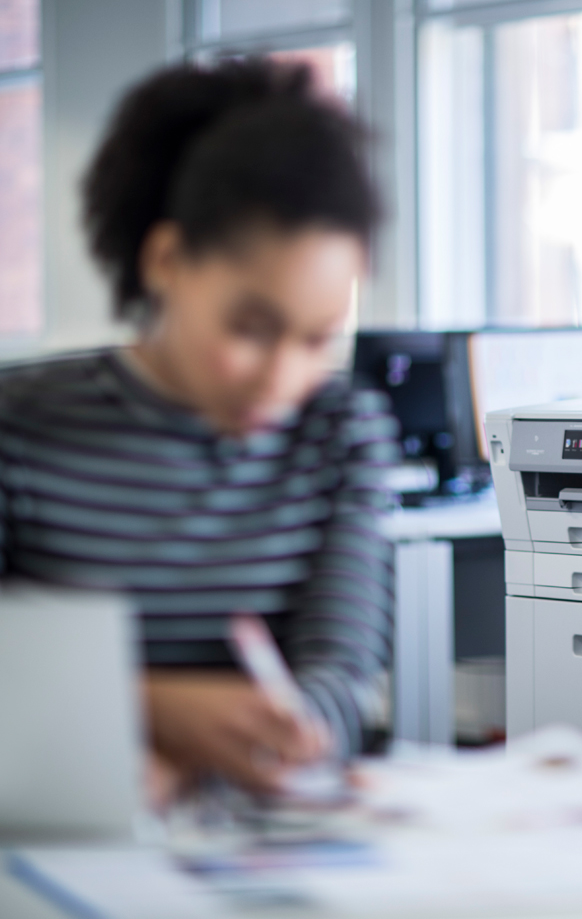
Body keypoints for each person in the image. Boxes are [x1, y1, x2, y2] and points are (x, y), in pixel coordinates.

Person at [0, 58, 399, 795]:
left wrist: (283, 733)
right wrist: (151, 707)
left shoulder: (339, 432)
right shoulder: (19, 429)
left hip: (260, 831)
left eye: (317, 340)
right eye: (251, 329)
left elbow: (342, 680)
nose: (281, 380)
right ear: (166, 261)